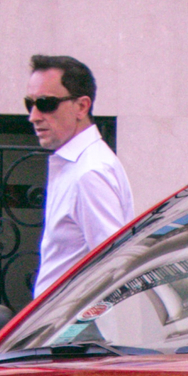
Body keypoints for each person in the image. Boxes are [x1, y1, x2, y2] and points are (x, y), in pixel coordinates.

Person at [24, 53, 133, 290]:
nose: (33, 116)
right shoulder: (79, 165)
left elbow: (112, 268)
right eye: (29, 104)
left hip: (77, 325)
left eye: (45, 104)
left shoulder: (89, 173)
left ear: (82, 106)